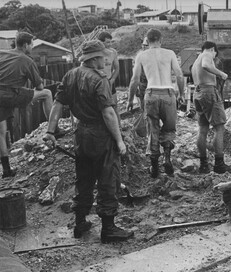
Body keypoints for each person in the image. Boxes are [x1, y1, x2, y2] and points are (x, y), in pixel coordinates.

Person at [43, 40, 133, 243]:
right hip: (100, 134)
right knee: (108, 178)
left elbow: (58, 104)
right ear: (94, 59)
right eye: (103, 56)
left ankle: (80, 222)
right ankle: (108, 229)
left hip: (81, 134)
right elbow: (108, 113)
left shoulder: (70, 75)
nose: (106, 59)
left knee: (84, 179)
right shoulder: (99, 79)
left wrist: (50, 131)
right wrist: (119, 141)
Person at [128, 28, 185, 178]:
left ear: (147, 40)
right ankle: (167, 157)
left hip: (151, 93)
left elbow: (134, 80)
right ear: (161, 40)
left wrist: (130, 99)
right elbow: (179, 75)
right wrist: (182, 94)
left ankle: (154, 168)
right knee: (169, 127)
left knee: (153, 129)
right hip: (168, 93)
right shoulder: (170, 53)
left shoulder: (142, 56)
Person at [0, 32, 57, 178]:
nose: (32, 47)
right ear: (25, 45)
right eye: (31, 44)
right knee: (46, 93)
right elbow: (39, 87)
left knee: (1, 132)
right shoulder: (27, 60)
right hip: (11, 94)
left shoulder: (3, 53)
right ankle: (53, 130)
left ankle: (6, 170)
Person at [191, 41, 231, 174]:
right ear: (212, 49)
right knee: (219, 128)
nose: (214, 57)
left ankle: (204, 165)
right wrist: (221, 73)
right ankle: (219, 164)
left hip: (197, 93)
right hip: (208, 91)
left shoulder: (194, 63)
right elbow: (206, 65)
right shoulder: (207, 55)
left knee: (203, 129)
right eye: (215, 53)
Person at [98, 32, 120, 122]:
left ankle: (119, 128)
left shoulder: (113, 52)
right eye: (107, 42)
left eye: (111, 42)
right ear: (101, 42)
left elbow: (117, 68)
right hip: (98, 84)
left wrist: (112, 80)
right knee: (101, 108)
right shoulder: (95, 53)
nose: (110, 44)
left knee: (114, 106)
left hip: (109, 81)